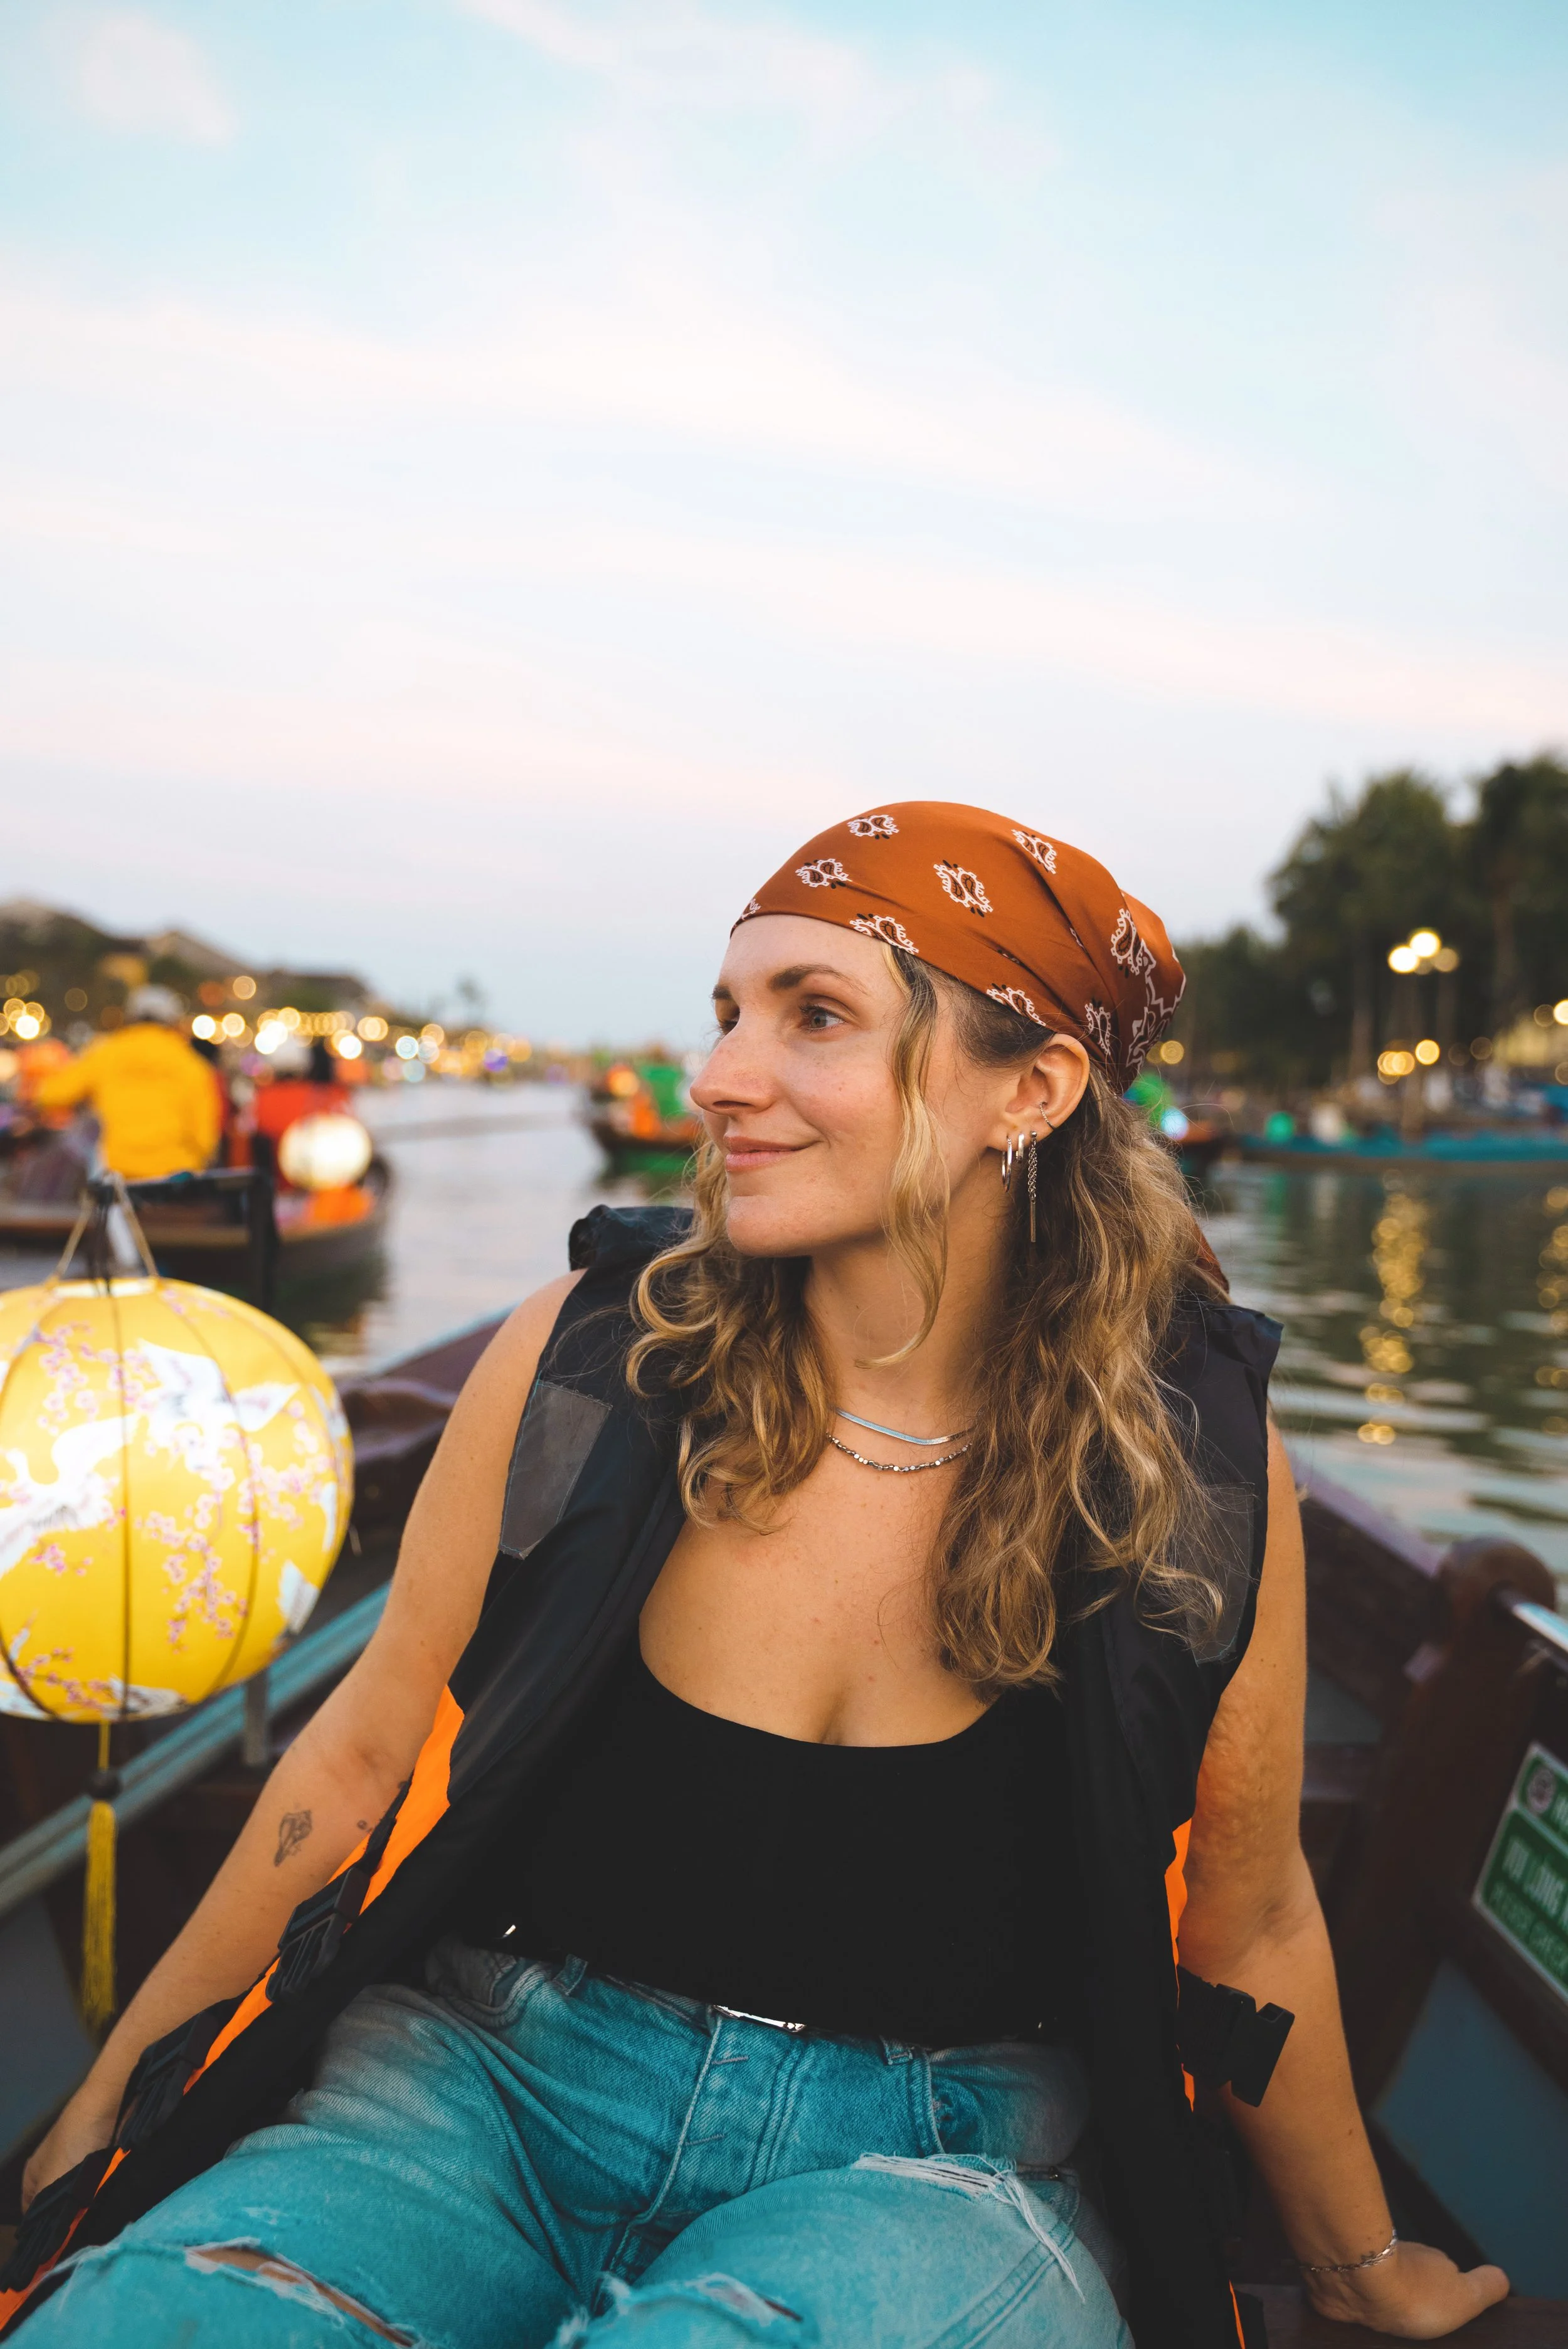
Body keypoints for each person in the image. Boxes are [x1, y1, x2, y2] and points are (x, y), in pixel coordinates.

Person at [5, 807, 1508, 2349]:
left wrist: (1351, 2267)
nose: (721, 1075)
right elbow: (360, 1750)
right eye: (728, 1011)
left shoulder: (1189, 1443)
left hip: (937, 2164)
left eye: (816, 1017)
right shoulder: (593, 1352)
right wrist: (106, 2108)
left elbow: (1248, 1924)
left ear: (1034, 1090)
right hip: (488, 2088)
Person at [32, 986, 220, 1181]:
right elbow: (204, 1132)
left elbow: (54, 1094)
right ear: (172, 1021)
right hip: (175, 1173)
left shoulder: (107, 1051)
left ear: (132, 1016)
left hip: (118, 1170)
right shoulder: (191, 1063)